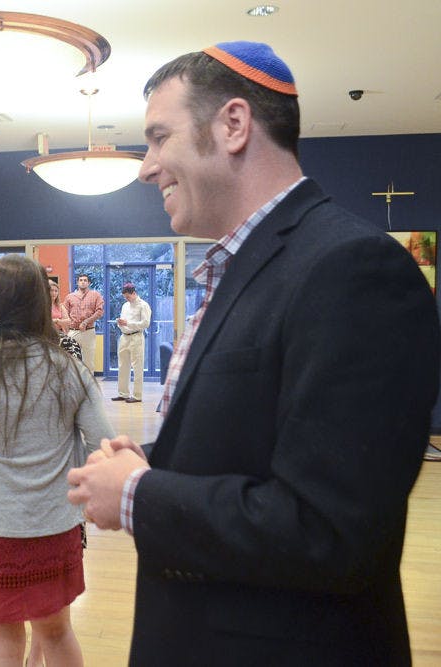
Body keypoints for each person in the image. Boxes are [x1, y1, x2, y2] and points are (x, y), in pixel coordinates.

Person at [66, 42, 440, 665]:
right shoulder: (248, 266)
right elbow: (261, 443)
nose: (145, 167)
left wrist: (140, 495)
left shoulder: (352, 269)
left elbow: (332, 531)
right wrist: (156, 460)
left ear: (233, 125)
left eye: (159, 138)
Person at [0, 254, 113, 667]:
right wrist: (72, 487)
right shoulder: (68, 369)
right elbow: (103, 443)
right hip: (55, 528)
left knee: (2, 647)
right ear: (40, 304)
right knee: (57, 633)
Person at [111, 282, 152, 403]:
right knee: (122, 366)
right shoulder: (125, 305)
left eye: (128, 297)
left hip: (136, 337)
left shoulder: (143, 305)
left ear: (134, 293)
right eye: (125, 297)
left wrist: (128, 324)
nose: (126, 299)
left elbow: (145, 323)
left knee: (137, 366)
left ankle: (137, 396)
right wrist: (120, 324)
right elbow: (123, 320)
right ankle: (123, 393)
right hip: (124, 337)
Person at [63, 272, 104, 374]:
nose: (83, 282)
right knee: (72, 360)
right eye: (81, 280)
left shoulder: (96, 295)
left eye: (85, 280)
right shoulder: (69, 297)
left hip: (88, 332)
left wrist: (86, 322)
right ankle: (74, 385)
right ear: (77, 282)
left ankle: (89, 386)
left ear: (89, 283)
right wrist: (67, 330)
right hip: (73, 332)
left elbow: (99, 311)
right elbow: (64, 314)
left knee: (89, 361)